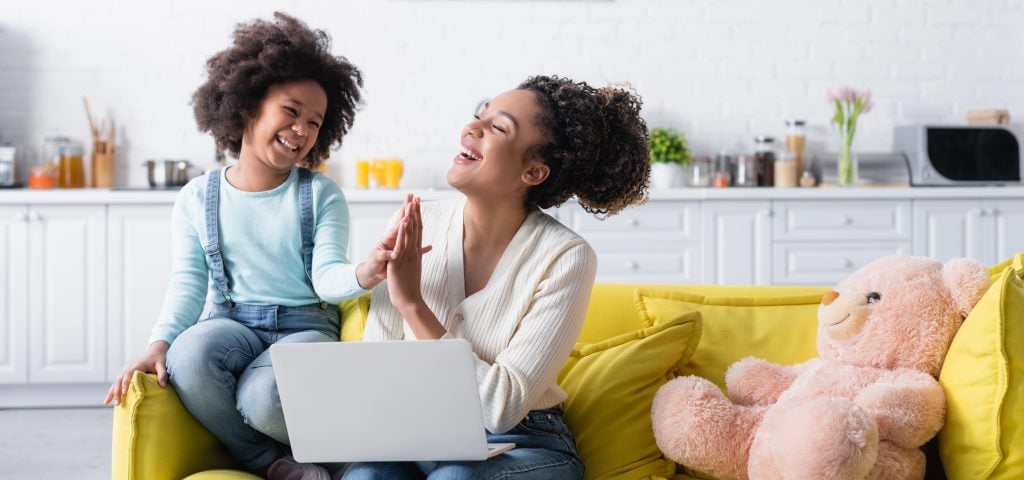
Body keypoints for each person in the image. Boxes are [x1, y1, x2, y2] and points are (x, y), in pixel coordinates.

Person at [103, 12, 384, 479]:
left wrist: (365, 272)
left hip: (305, 327)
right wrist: (159, 343)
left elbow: (327, 276)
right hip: (231, 322)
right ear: (248, 106)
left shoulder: (321, 194)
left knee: (263, 396)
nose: (301, 130)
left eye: (314, 122)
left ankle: (320, 454)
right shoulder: (197, 197)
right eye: (290, 111)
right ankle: (270, 463)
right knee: (188, 356)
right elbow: (188, 281)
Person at [343, 75, 651, 480]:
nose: (472, 128)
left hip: (527, 441)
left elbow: (500, 408)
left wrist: (412, 305)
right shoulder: (416, 222)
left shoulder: (566, 257)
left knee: (457, 477)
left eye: (499, 127)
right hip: (421, 434)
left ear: (533, 172)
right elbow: (379, 371)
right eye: (479, 115)